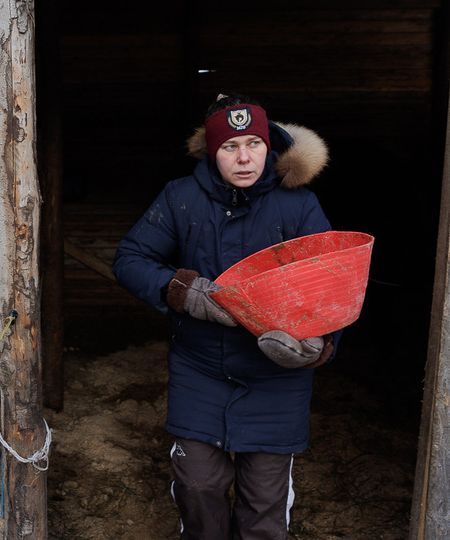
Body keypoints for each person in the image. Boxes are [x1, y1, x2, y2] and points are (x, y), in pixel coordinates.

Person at [112, 92, 337, 539]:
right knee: (199, 485)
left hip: (276, 376)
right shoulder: (180, 197)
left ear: (270, 147)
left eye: (253, 143)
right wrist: (183, 291)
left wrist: (319, 344)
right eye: (229, 147)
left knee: (264, 502)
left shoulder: (299, 205)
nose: (244, 157)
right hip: (200, 368)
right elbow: (131, 258)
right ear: (212, 152)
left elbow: (332, 282)